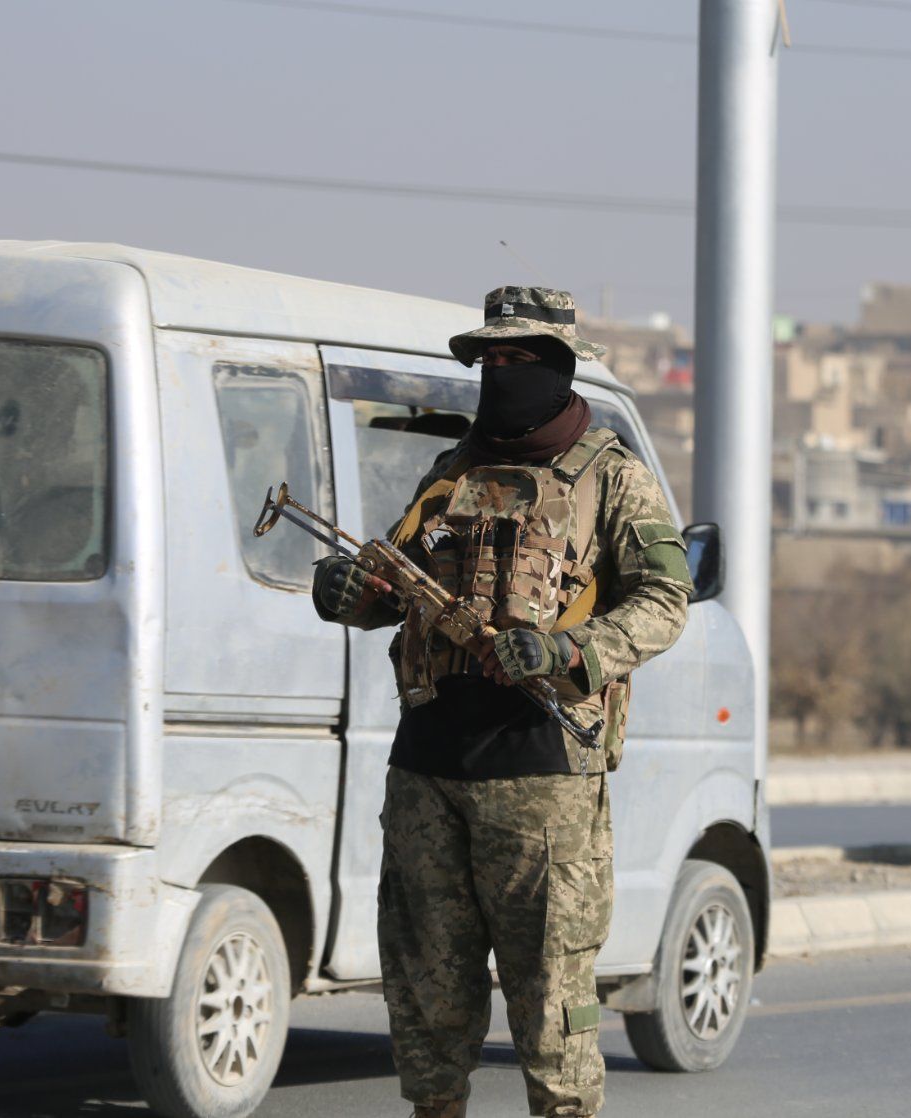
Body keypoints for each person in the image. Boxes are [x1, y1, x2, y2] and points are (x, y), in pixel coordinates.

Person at [311, 286, 693, 1118]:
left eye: (519, 360)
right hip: (427, 772)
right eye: (489, 360)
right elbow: (396, 584)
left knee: (552, 990)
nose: (499, 374)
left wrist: (571, 650)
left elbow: (665, 599)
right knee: (424, 982)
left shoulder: (612, 478)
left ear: (560, 369)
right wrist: (347, 590)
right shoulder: (450, 472)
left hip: (542, 774)